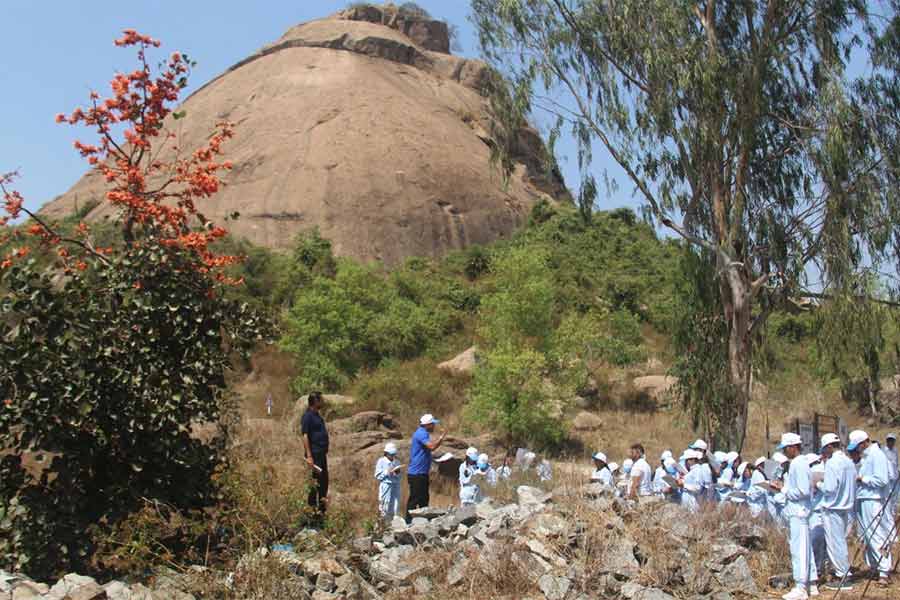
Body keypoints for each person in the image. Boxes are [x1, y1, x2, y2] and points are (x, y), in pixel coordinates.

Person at [849, 429, 893, 586]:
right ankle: (875, 566)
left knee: (876, 534)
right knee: (867, 535)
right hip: (864, 497)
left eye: (858, 445)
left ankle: (884, 570)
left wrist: (863, 479)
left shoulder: (877, 455)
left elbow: (882, 480)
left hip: (873, 499)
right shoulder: (867, 456)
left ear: (864, 442)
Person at [779, 432, 818, 600]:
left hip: (799, 511)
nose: (784, 452)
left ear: (793, 447)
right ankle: (811, 583)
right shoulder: (798, 463)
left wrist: (783, 490)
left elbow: (802, 491)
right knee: (804, 547)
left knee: (799, 549)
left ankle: (801, 586)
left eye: (786, 448)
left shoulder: (798, 464)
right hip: (797, 511)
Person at [817, 433, 856, 590]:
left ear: (829, 447)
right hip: (845, 507)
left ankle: (843, 575)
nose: (824, 453)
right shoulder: (849, 462)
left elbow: (829, 488)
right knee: (840, 542)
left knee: (835, 544)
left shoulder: (833, 463)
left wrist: (818, 483)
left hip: (833, 508)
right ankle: (843, 572)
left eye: (824, 449)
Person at [405, 413, 446, 521]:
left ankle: (423, 521)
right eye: (432, 424)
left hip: (422, 472)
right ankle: (408, 522)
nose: (434, 426)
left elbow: (425, 451)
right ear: (427, 425)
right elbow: (431, 447)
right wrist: (441, 438)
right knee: (414, 499)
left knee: (424, 498)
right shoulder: (421, 434)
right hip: (416, 473)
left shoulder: (423, 433)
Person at [300, 391, 329, 519]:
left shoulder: (318, 416)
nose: (322, 402)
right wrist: (309, 456)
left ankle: (321, 513)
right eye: (321, 399)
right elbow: (305, 435)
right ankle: (311, 514)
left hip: (322, 455)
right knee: (314, 485)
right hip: (314, 455)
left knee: (324, 483)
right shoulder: (308, 416)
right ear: (315, 401)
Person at [374, 442, 402, 521]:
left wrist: (397, 473)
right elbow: (377, 475)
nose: (393, 456)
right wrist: (386, 472)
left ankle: (394, 520)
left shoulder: (397, 462)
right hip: (386, 485)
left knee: (395, 504)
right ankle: (383, 521)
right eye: (391, 454)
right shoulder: (381, 461)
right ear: (386, 453)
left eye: (394, 454)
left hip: (396, 485)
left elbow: (400, 477)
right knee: (385, 504)